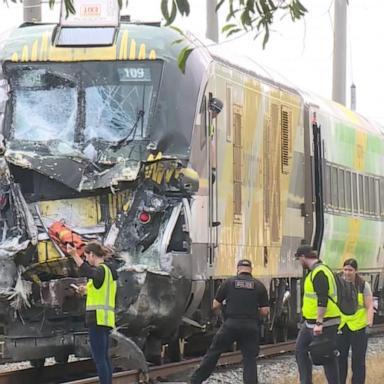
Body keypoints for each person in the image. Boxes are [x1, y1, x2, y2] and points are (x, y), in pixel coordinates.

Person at [190, 259, 269, 384]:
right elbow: (265, 311)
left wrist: (223, 314)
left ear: (238, 269)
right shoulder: (259, 285)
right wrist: (253, 313)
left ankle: (195, 381)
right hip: (250, 326)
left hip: (230, 325)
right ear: (251, 270)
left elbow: (215, 305)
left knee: (214, 353)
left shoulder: (229, 283)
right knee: (249, 359)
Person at [67, 240, 117, 384]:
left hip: (98, 319)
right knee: (104, 357)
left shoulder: (101, 270)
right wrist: (83, 290)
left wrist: (74, 255)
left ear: (93, 255)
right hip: (106, 319)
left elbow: (88, 271)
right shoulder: (108, 271)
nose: (86, 259)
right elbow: (96, 287)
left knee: (100, 359)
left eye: (87, 256)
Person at [295, 244, 341, 384]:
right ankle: (305, 381)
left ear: (303, 257)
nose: (299, 262)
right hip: (310, 322)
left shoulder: (319, 272)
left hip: (324, 322)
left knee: (326, 356)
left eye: (299, 259)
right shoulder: (317, 271)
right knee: (300, 350)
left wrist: (319, 322)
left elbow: (322, 298)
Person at [337, 258, 374, 384]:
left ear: (356, 271)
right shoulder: (338, 284)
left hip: (359, 327)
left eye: (350, 270)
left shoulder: (363, 285)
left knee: (358, 360)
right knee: (340, 358)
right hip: (342, 326)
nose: (347, 273)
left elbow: (369, 306)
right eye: (345, 269)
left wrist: (369, 324)